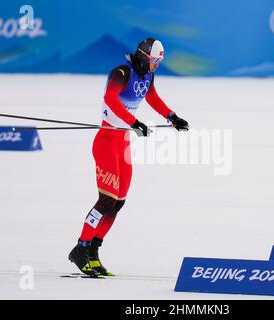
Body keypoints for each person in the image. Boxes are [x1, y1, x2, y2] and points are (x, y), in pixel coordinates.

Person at [68, 38, 189, 276]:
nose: (157, 66)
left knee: (118, 202)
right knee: (106, 201)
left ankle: (93, 250)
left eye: (160, 62)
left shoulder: (147, 75)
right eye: (155, 61)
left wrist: (172, 117)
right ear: (144, 56)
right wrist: (134, 122)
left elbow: (152, 98)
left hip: (122, 143)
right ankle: (80, 248)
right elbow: (111, 100)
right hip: (106, 142)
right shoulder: (121, 72)